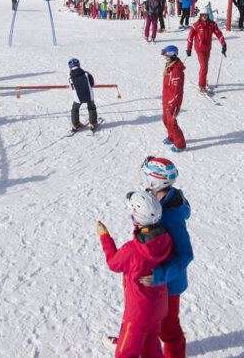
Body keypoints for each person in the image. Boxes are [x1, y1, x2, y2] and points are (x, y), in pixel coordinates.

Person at [97, 190, 172, 358]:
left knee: (125, 352)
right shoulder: (166, 239)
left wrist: (104, 236)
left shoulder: (132, 250)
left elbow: (113, 263)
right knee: (151, 345)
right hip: (159, 307)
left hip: (138, 313)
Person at [136, 157, 193, 358]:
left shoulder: (171, 215)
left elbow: (186, 254)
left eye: (146, 178)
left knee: (169, 329)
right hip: (154, 279)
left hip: (168, 283)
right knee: (147, 319)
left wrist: (160, 275)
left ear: (154, 182)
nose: (144, 183)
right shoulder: (157, 198)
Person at [186, 12, 226, 94]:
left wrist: (223, 44)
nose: (205, 17)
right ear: (200, 16)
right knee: (204, 66)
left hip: (207, 48)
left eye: (206, 16)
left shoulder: (212, 24)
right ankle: (202, 85)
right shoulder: (196, 25)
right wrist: (189, 49)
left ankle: (203, 80)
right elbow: (190, 37)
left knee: (204, 66)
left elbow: (218, 34)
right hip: (199, 48)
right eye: (203, 16)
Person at [160, 45, 186, 152]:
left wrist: (171, 103)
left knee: (172, 122)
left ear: (173, 56)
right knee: (166, 120)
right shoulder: (169, 67)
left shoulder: (175, 71)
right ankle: (171, 137)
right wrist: (164, 100)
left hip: (173, 102)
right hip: (167, 100)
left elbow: (175, 91)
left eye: (167, 56)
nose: (165, 58)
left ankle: (180, 144)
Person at [68, 58, 98, 131]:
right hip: (88, 94)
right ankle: (93, 123)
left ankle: (76, 124)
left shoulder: (70, 77)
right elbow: (92, 83)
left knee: (75, 109)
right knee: (91, 106)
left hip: (77, 97)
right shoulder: (86, 73)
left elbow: (72, 87)